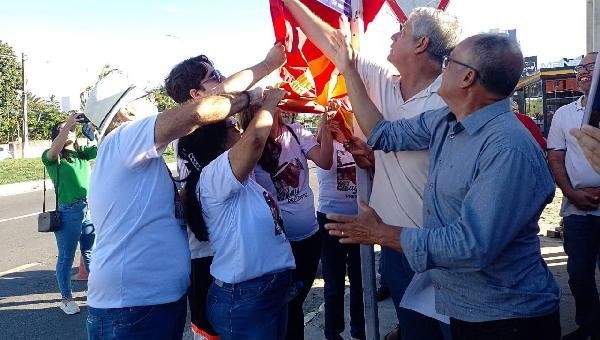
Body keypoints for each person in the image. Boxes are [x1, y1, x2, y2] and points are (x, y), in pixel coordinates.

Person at [326, 33, 561, 340]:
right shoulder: (447, 121)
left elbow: (471, 246)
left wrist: (381, 233)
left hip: (506, 319)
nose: (442, 67)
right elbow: (383, 133)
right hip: (461, 305)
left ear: (467, 77)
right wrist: (348, 68)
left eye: (449, 62)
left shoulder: (507, 149)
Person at [281, 1, 461, 338]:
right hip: (394, 247)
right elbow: (336, 44)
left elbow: (396, 141)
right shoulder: (384, 85)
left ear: (421, 44)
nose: (393, 35)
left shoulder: (451, 99)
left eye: (403, 31)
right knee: (415, 331)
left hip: (441, 251)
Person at [85, 70, 262, 339]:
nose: (154, 102)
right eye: (145, 97)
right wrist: (249, 98)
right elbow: (198, 112)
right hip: (133, 307)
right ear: (128, 111)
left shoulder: (136, 157)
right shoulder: (123, 137)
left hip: (147, 303)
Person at [164, 44, 286, 340]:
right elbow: (249, 138)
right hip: (210, 257)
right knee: (210, 332)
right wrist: (266, 67)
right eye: (214, 76)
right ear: (196, 95)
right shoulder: (194, 131)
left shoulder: (212, 126)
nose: (224, 78)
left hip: (232, 253)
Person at [251, 102, 333, 340]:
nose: (281, 104)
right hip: (277, 243)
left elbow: (325, 161)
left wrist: (326, 126)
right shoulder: (251, 143)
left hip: (309, 236)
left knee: (295, 302)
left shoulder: (297, 132)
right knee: (285, 305)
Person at [547, 51, 600, 340]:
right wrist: (570, 193)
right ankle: (589, 327)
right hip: (577, 211)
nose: (582, 72)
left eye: (590, 67)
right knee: (579, 274)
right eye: (579, 68)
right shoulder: (564, 115)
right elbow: (555, 157)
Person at [315, 102, 365, 340]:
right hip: (330, 218)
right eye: (331, 118)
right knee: (333, 283)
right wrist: (325, 129)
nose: (336, 120)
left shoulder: (355, 141)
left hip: (359, 218)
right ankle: (333, 333)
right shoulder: (322, 145)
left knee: (359, 280)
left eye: (340, 115)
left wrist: (347, 131)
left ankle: (359, 330)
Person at [41, 113, 97, 315]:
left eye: (72, 129)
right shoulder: (52, 157)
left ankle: (96, 291)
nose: (71, 131)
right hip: (69, 212)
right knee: (66, 257)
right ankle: (66, 298)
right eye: (65, 129)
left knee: (90, 253)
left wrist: (93, 132)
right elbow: (54, 149)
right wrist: (67, 126)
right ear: (58, 134)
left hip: (88, 210)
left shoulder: (82, 154)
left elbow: (101, 149)